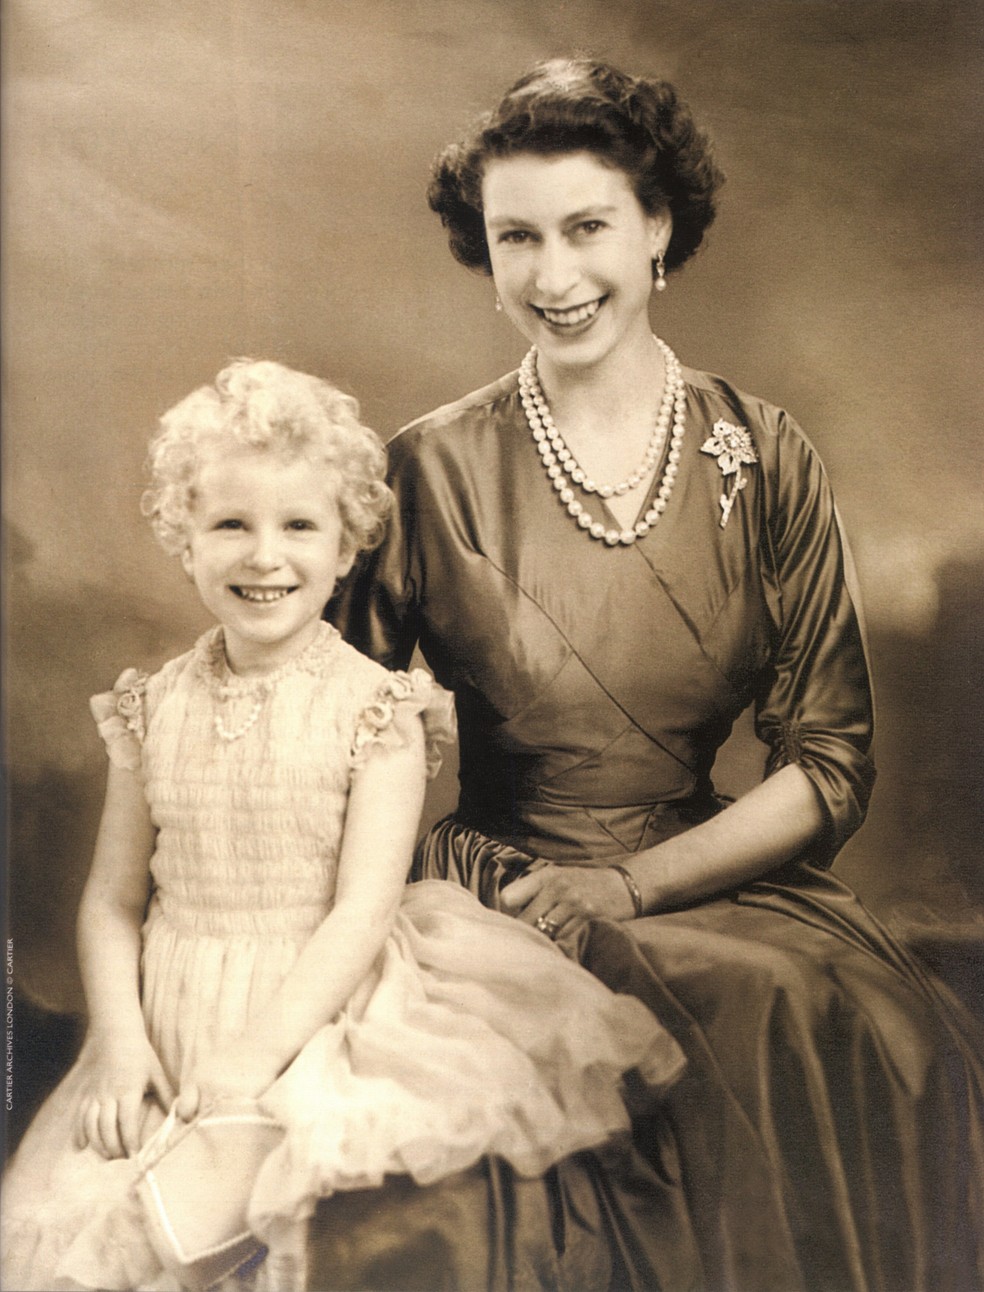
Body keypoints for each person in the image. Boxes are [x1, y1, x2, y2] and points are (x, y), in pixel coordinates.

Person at [332, 58, 984, 1291]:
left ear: (659, 226)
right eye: (515, 236)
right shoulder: (424, 469)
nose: (553, 276)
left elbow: (832, 762)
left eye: (587, 228)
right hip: (504, 891)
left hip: (706, 874)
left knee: (869, 1035)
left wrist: (630, 887)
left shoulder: (766, 449)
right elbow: (324, 722)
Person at [0, 359, 690, 1292]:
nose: (264, 557)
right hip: (167, 1015)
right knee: (109, 1241)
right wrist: (122, 1046)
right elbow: (113, 901)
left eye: (298, 526)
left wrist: (256, 1058)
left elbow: (362, 913)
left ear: (344, 544)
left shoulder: (379, 710)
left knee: (304, 1239)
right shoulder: (150, 707)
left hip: (319, 1010)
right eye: (230, 525)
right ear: (184, 537)